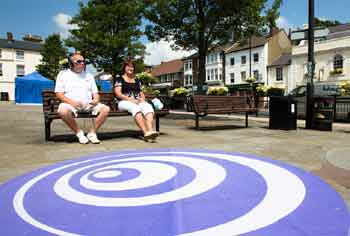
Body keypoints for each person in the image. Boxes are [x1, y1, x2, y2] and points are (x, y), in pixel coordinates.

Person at [55, 52, 110, 144]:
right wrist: (72, 102)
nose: (82, 63)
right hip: (71, 104)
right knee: (62, 111)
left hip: (88, 105)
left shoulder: (89, 75)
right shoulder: (63, 74)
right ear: (71, 63)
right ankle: (79, 133)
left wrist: (96, 100)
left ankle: (92, 133)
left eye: (83, 61)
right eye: (79, 61)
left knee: (106, 109)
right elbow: (59, 94)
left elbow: (95, 93)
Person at [114, 60, 159, 141]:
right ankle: (145, 133)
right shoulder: (119, 79)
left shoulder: (137, 80)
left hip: (137, 101)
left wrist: (142, 99)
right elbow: (118, 94)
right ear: (124, 68)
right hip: (123, 102)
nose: (130, 68)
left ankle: (150, 130)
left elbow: (141, 93)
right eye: (128, 66)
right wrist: (130, 100)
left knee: (148, 107)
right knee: (135, 108)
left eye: (132, 67)